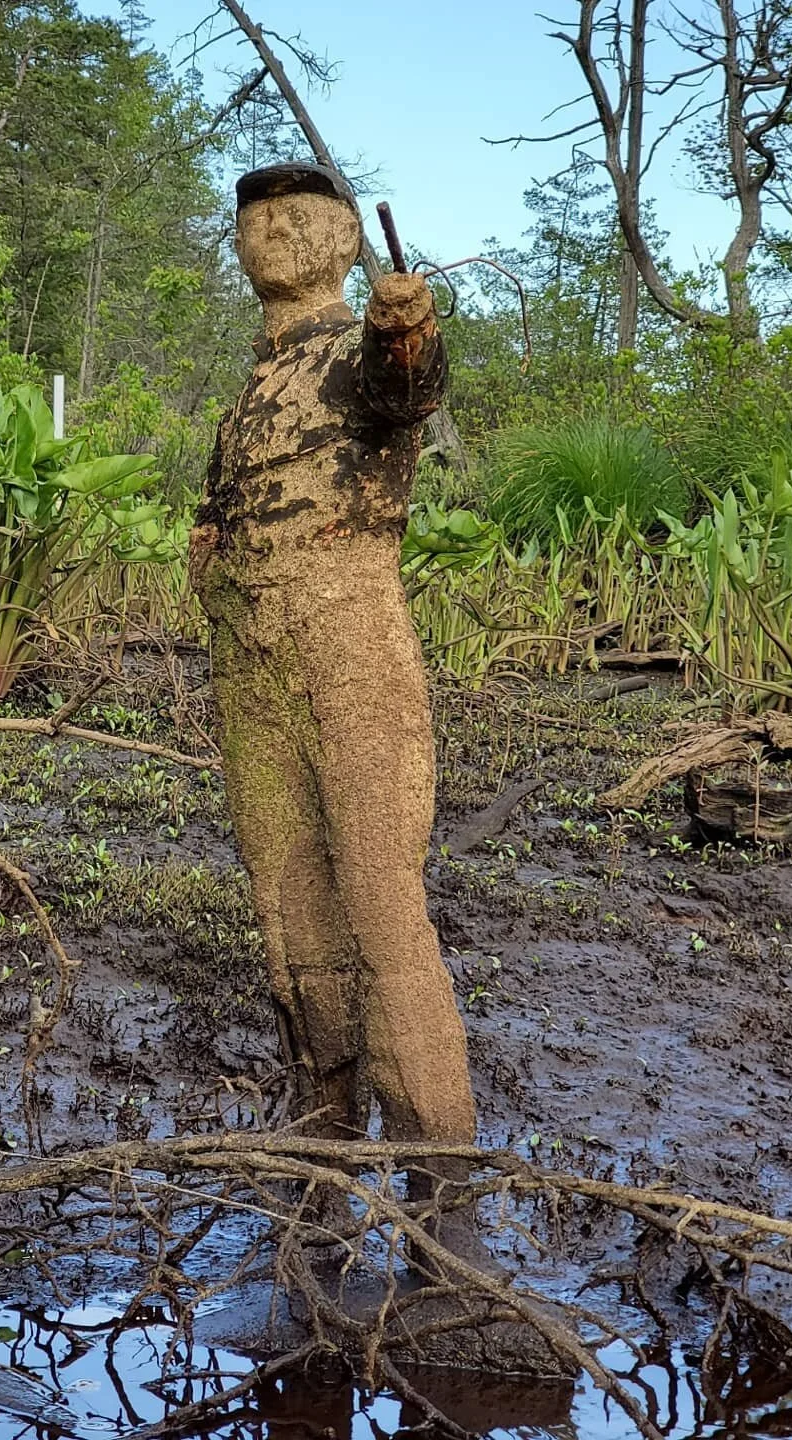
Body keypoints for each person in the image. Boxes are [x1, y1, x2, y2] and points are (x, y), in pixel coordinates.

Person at [190, 161, 477, 1148]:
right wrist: (211, 572)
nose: (273, 229)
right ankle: (325, 1135)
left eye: (297, 215)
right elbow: (215, 518)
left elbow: (407, 389)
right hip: (252, 668)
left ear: (348, 239)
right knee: (290, 910)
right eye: (257, 218)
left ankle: (439, 1168)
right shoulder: (250, 390)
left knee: (381, 905)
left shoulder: (354, 358)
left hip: (349, 653)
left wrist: (406, 326)